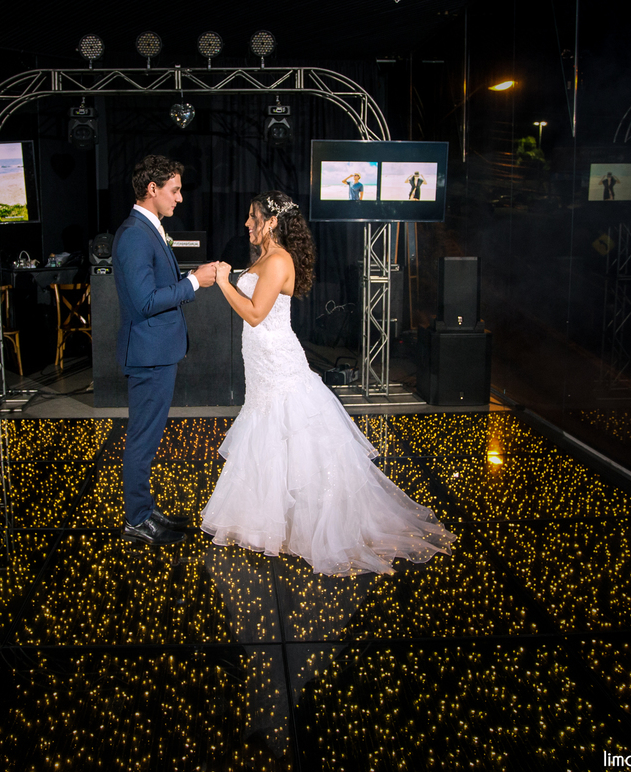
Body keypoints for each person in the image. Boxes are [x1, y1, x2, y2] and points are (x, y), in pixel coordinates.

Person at [202, 190, 454, 575]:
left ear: (271, 222)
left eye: (253, 217)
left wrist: (223, 282)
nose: (247, 224)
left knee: (292, 432)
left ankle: (308, 522)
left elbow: (254, 315)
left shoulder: (279, 259)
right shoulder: (266, 257)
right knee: (270, 433)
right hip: (263, 363)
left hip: (278, 362)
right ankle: (274, 520)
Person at [112, 155, 219, 545]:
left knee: (148, 436)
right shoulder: (136, 234)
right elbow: (144, 301)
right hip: (148, 354)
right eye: (174, 190)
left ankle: (145, 511)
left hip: (156, 352)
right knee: (143, 438)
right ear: (152, 189)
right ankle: (137, 519)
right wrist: (193, 282)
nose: (180, 198)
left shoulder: (147, 229)